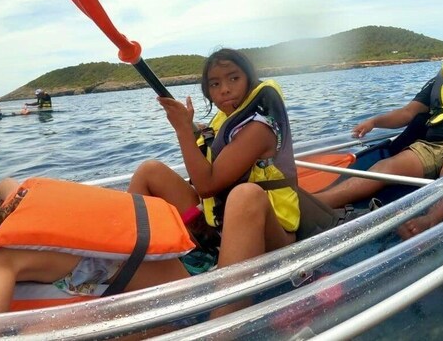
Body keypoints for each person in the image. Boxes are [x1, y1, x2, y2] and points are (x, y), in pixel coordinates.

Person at [127, 48, 313, 314]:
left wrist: (182, 130)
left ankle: (221, 323)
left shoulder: (259, 128)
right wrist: (192, 130)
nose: (224, 89)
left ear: (249, 79)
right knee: (150, 171)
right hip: (220, 228)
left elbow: (206, 185)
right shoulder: (225, 120)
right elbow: (213, 151)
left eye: (233, 78)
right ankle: (128, 265)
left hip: (272, 238)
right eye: (215, 84)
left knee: (245, 194)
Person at [313, 27, 443, 219]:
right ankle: (314, 204)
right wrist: (374, 121)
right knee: (384, 168)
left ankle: (430, 221)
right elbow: (407, 113)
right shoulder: (437, 81)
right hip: (429, 146)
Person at [0, 176, 195, 320]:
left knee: (35, 330)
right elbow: (5, 185)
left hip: (176, 307)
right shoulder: (18, 204)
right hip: (181, 278)